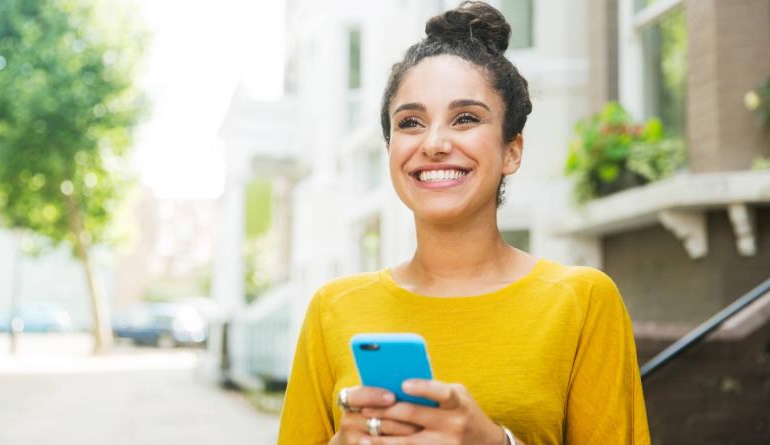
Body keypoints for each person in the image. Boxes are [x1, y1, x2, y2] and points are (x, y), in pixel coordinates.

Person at [278, 2, 650, 444]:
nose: (434, 143)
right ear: (391, 148)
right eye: (410, 122)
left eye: (466, 118)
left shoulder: (582, 301)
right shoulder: (333, 309)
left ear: (512, 150)